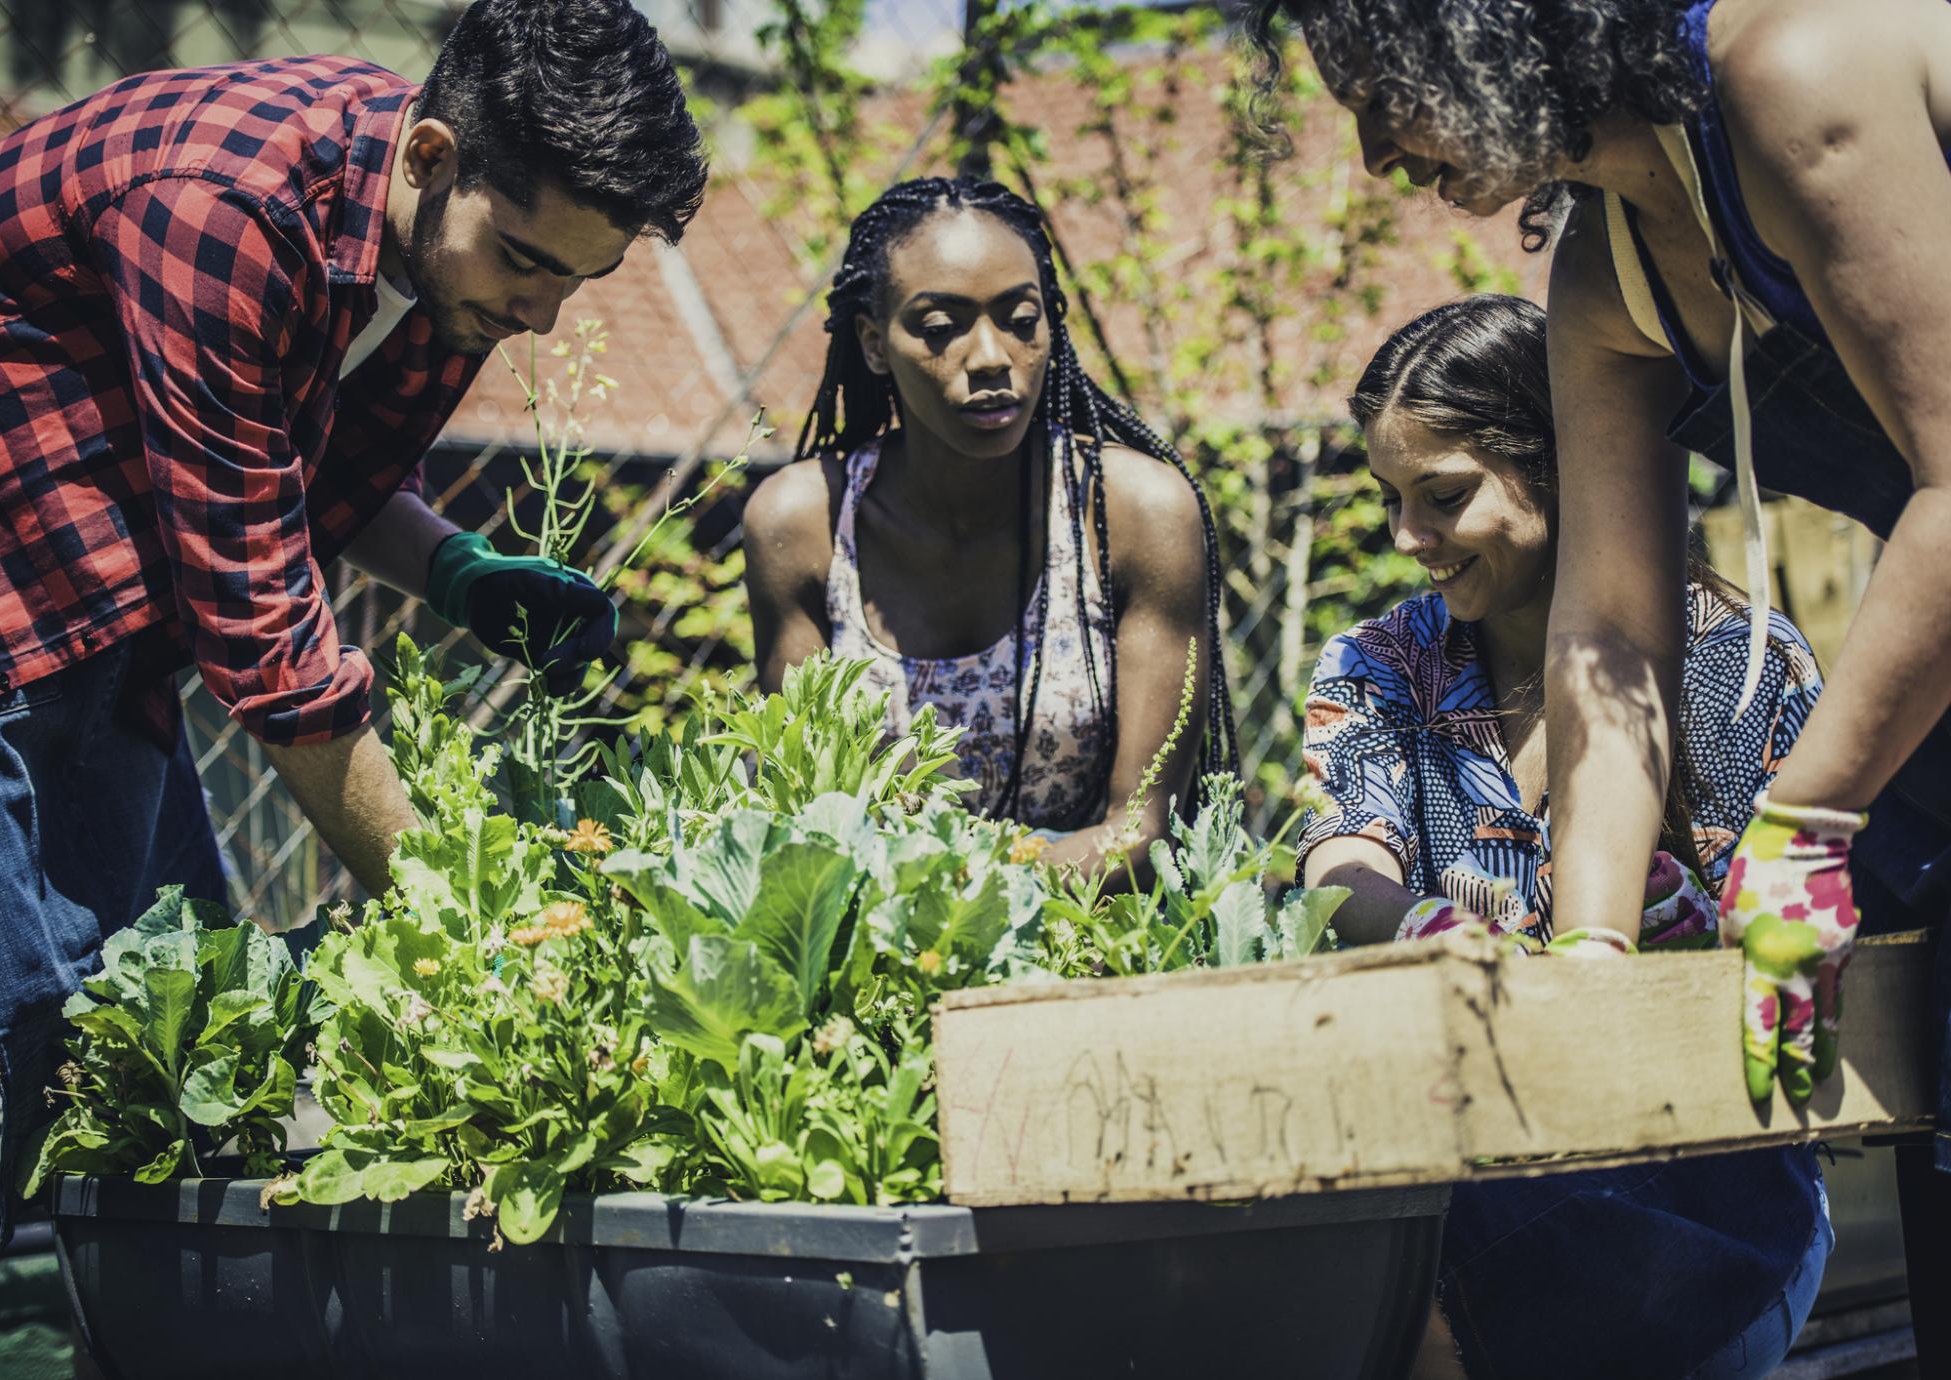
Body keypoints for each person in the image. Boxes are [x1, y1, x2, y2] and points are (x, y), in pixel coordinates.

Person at [0, 0, 704, 1363]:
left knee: (163, 1045)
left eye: (575, 287)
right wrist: (471, 923)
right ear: (430, 153)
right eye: (531, 265)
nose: (537, 316)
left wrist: (463, 569)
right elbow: (268, 650)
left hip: (99, 625)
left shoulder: (434, 230)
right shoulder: (227, 206)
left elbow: (320, 466)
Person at [1248, 0, 1951, 1130]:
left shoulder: (1794, 72)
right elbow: (1609, 637)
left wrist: (1804, 822)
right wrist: (1589, 948)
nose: (1376, 156)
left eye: (1381, 95)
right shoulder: (1600, 276)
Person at [1300, 295, 1830, 1380]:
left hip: (1707, 1182)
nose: (1407, 540)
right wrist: (1418, 926)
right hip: (1465, 1150)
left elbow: (1787, 965)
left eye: (1441, 497)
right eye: (1390, 501)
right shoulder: (1381, 664)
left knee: (1408, 1293)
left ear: (1559, 460)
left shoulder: (1733, 668)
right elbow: (1340, 863)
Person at [742, 176, 1234, 870]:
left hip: (1092, 942)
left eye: (1020, 320)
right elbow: (799, 807)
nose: (992, 357)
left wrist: (959, 891)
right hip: (875, 946)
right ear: (875, 343)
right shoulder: (805, 524)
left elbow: (1140, 832)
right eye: (940, 328)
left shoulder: (1133, 513)